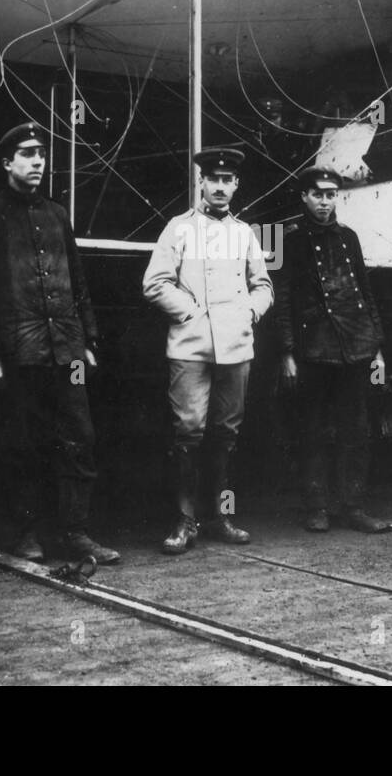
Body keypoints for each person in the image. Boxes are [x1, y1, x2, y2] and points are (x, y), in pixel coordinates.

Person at [0, 121, 119, 564]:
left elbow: (78, 279)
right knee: (25, 442)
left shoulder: (57, 215)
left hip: (66, 348)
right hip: (20, 350)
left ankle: (76, 533)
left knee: (79, 438)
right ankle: (27, 532)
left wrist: (87, 339)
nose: (37, 163)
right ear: (7, 163)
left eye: (42, 155)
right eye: (27, 155)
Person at [142, 147, 273, 554]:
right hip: (192, 347)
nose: (219, 187)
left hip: (236, 348)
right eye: (212, 179)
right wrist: (192, 314)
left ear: (236, 185)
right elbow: (155, 283)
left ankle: (221, 517)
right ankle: (185, 520)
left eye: (227, 180)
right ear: (201, 182)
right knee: (189, 431)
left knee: (226, 433)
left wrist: (250, 312)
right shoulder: (179, 229)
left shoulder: (244, 233)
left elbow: (263, 285)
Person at [275, 166, 390, 534]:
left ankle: (353, 507)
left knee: (355, 431)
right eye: (317, 195)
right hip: (314, 348)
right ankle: (317, 507)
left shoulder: (349, 238)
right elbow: (284, 301)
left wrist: (376, 346)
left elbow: (365, 293)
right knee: (313, 431)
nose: (325, 202)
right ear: (304, 197)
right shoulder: (289, 241)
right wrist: (288, 352)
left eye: (330, 196)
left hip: (354, 347)